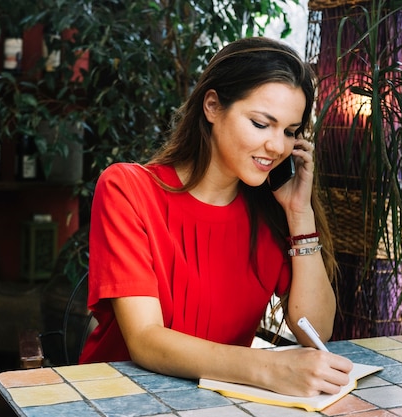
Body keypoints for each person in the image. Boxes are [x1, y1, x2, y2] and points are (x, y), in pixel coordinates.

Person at [79, 36, 353, 397]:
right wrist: (268, 367)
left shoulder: (271, 211)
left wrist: (300, 216)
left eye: (289, 132)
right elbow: (145, 341)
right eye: (260, 123)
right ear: (212, 106)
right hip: (115, 399)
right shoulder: (128, 189)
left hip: (214, 403)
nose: (277, 146)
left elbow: (315, 329)